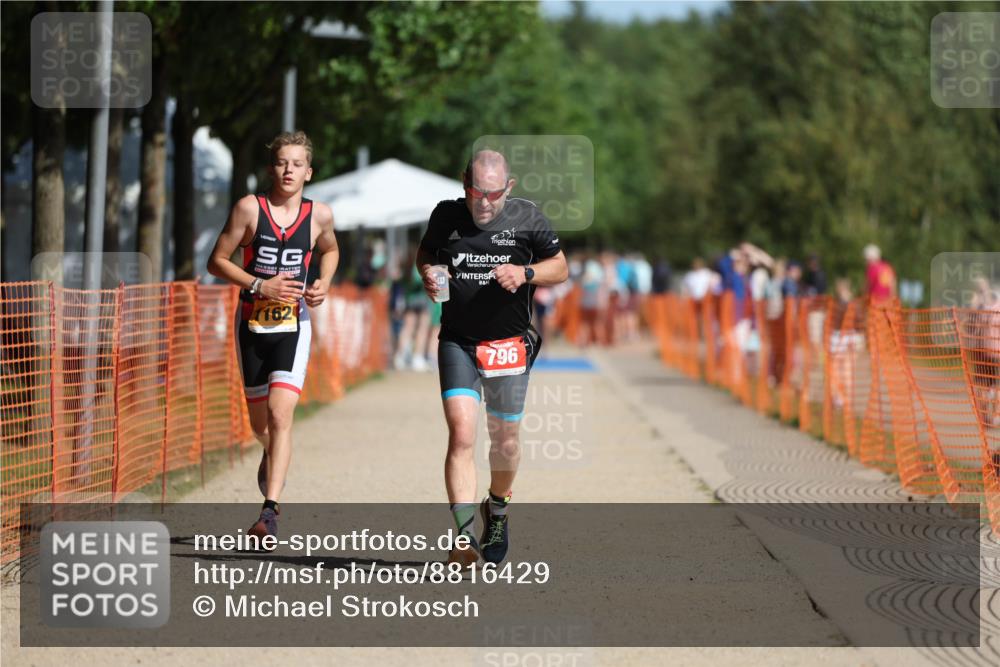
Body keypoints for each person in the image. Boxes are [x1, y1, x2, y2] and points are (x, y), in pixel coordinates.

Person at [415, 150, 568, 567]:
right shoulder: (446, 215)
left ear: (509, 187)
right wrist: (428, 274)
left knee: (505, 441)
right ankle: (464, 538)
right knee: (462, 434)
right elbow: (425, 253)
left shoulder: (528, 218)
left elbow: (561, 266)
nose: (484, 202)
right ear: (465, 183)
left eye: (494, 194)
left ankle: (497, 509)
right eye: (476, 192)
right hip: (458, 341)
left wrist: (526, 273)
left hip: (508, 345)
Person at [207, 131, 339, 543]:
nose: (289, 170)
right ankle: (270, 450)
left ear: (309, 172)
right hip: (251, 324)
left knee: (282, 415)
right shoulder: (249, 209)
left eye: (297, 164)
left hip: (293, 326)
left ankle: (270, 510)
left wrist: (324, 282)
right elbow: (216, 261)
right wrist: (257, 286)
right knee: (259, 425)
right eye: (282, 162)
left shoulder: (320, 216)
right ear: (271, 169)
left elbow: (331, 250)